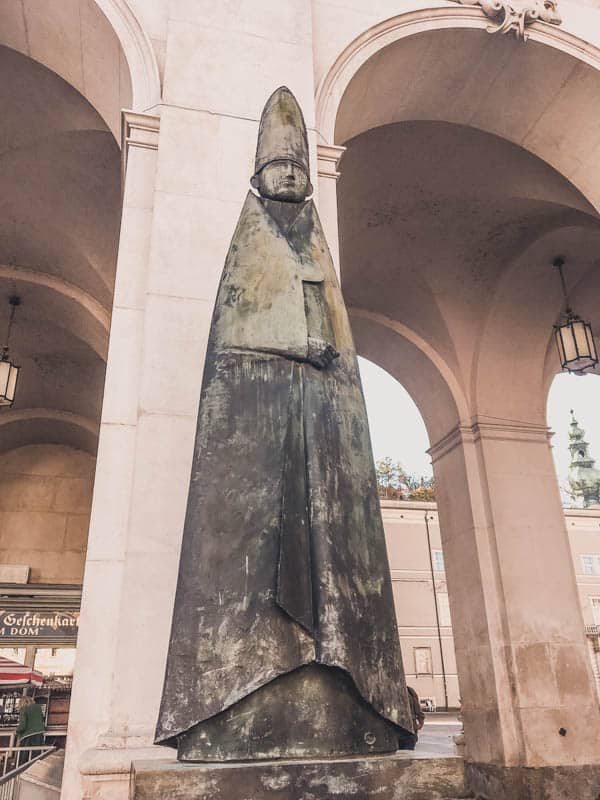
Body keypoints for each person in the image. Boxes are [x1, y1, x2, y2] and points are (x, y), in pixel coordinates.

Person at [155, 86, 414, 762]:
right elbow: (232, 335)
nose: (293, 177)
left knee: (334, 552)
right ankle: (231, 704)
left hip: (321, 428)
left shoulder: (318, 254)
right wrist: (296, 345)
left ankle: (346, 704)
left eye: (298, 168)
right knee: (255, 555)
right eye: (281, 169)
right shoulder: (247, 252)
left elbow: (342, 353)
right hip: (259, 436)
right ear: (258, 176)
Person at [16, 696, 45, 766]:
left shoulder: (24, 709)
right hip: (39, 734)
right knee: (35, 756)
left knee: (24, 758)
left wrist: (17, 731)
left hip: (28, 736)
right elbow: (42, 719)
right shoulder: (38, 708)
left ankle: (21, 772)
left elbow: (22, 726)